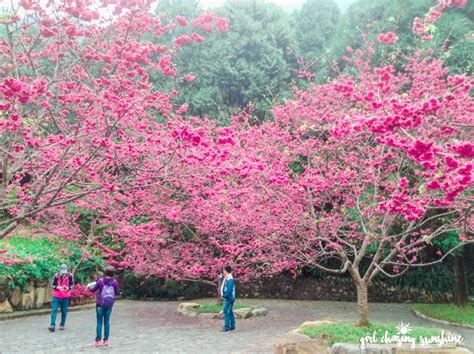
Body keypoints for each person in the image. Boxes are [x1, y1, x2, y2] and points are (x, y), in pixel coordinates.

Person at [89, 266, 119, 347]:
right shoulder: (115, 282)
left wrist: (89, 287)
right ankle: (106, 340)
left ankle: (98, 341)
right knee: (107, 322)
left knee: (99, 322)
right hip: (109, 305)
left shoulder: (100, 281)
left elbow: (93, 290)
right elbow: (117, 293)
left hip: (100, 304)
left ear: (105, 273)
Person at [49, 264, 74, 332]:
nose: (63, 274)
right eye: (62, 272)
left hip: (65, 296)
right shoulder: (56, 276)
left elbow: (72, 285)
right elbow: (52, 285)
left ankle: (62, 324)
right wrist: (58, 287)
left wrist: (67, 288)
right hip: (57, 295)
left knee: (64, 311)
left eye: (65, 272)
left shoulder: (70, 276)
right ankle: (52, 325)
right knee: (54, 310)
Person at [220, 265, 236, 332]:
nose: (223, 271)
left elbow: (229, 289)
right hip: (228, 298)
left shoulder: (230, 279)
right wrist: (221, 278)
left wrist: (225, 296)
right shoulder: (227, 277)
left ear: (226, 271)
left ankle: (227, 327)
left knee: (226, 312)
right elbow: (224, 285)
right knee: (230, 312)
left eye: (223, 270)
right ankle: (232, 326)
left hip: (228, 298)